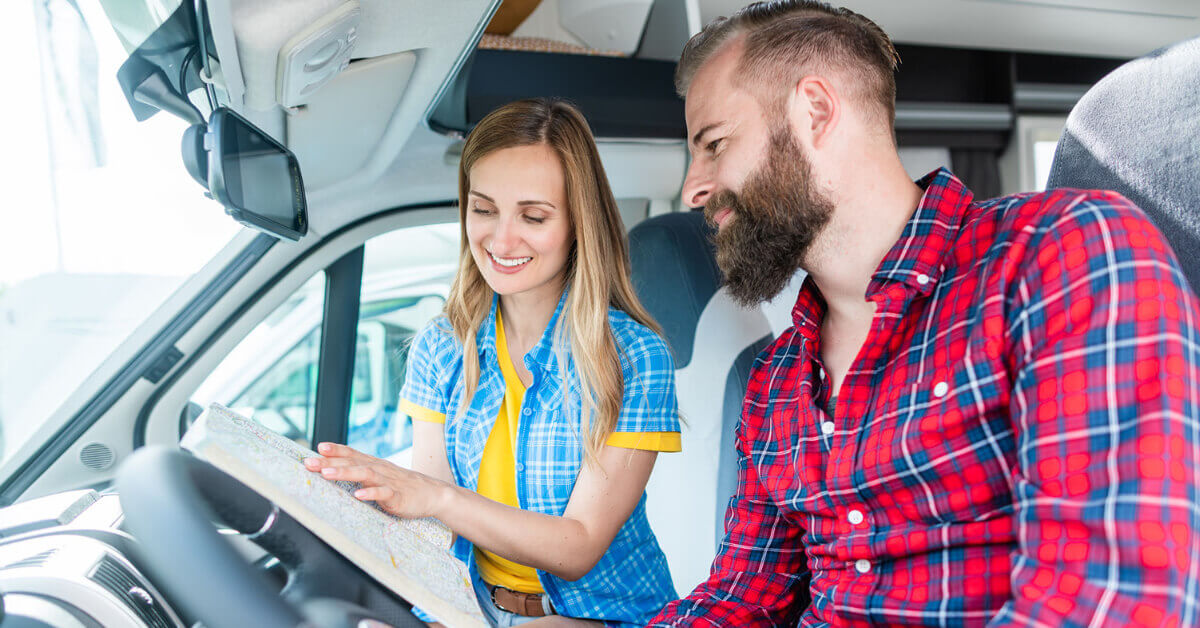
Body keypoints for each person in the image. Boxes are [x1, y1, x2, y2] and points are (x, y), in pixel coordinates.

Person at [649, 2, 1200, 626]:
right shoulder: (775, 381)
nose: (693, 187)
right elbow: (740, 598)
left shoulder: (1059, 255)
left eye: (715, 144)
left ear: (815, 111)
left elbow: (1108, 602)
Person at [304, 98, 680, 627]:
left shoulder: (634, 357)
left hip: (605, 618)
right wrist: (353, 496)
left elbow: (578, 548)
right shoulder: (442, 345)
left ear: (578, 222)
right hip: (471, 609)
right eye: (483, 209)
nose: (501, 239)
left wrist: (434, 497)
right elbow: (431, 527)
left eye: (533, 216)